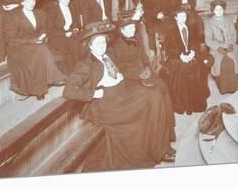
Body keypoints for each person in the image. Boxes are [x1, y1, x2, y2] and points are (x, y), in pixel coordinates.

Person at [63, 21, 176, 171]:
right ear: (89, 46)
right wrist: (94, 93)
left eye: (103, 42)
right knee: (149, 103)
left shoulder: (106, 55)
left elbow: (120, 72)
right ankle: (154, 150)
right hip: (106, 103)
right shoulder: (86, 64)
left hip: (121, 91)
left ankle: (160, 146)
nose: (101, 46)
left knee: (155, 95)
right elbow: (69, 90)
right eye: (97, 43)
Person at [3, 0, 66, 100]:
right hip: (18, 47)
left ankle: (40, 88)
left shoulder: (40, 13)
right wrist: (32, 41)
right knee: (41, 50)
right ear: (22, 2)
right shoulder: (12, 16)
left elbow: (44, 29)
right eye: (28, 1)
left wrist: (43, 36)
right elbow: (10, 40)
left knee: (41, 49)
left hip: (37, 45)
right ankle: (52, 79)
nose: (32, 3)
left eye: (33, 0)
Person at [162, 4, 211, 114]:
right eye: (180, 17)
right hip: (177, 58)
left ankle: (196, 103)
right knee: (184, 69)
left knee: (198, 67)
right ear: (175, 18)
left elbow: (196, 44)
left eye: (184, 17)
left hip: (192, 55)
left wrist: (193, 53)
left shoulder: (192, 28)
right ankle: (183, 104)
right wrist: (181, 56)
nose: (183, 19)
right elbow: (169, 50)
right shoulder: (171, 32)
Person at [205, 0, 238, 94]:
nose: (219, 11)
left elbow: (234, 34)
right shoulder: (209, 23)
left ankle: (236, 87)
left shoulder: (228, 20)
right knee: (222, 62)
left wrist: (231, 44)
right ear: (213, 10)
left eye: (221, 9)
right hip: (216, 49)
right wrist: (218, 47)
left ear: (223, 10)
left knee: (234, 58)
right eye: (217, 9)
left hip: (230, 45)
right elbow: (208, 39)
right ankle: (224, 89)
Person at [46, 0, 82, 75]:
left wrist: (75, 29)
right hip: (57, 37)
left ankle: (79, 70)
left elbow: (76, 23)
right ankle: (71, 72)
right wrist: (64, 34)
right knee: (71, 45)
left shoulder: (72, 7)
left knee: (80, 42)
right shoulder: (52, 10)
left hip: (71, 34)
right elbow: (50, 30)